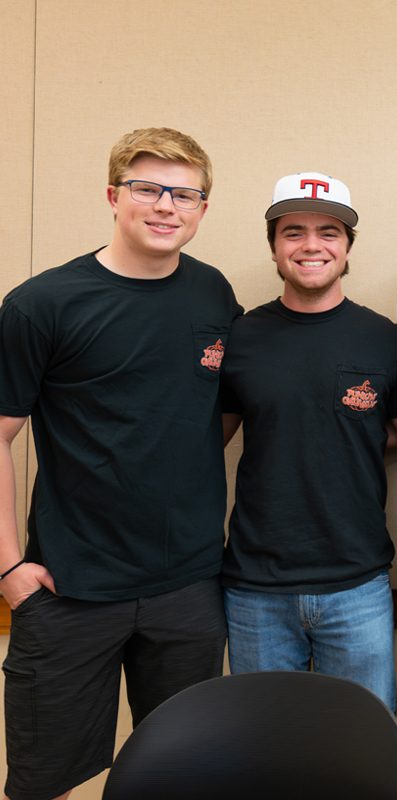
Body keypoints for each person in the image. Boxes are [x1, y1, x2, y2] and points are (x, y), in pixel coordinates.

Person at [0, 127, 241, 800]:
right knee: (46, 782)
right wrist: (8, 567)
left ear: (201, 209)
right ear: (113, 196)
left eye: (184, 194)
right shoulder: (42, 304)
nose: (166, 206)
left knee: (184, 776)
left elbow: (216, 413)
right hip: (68, 589)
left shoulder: (213, 296)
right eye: (147, 188)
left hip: (188, 589)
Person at [218, 172, 397, 713]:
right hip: (255, 588)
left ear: (348, 246)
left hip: (357, 585)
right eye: (294, 232)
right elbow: (199, 446)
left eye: (329, 231)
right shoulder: (240, 338)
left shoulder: (384, 339)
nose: (312, 245)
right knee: (264, 755)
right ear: (273, 246)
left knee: (361, 754)